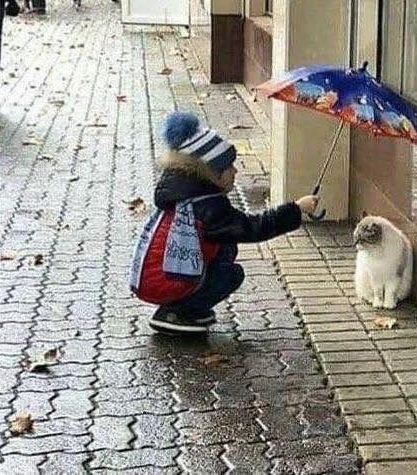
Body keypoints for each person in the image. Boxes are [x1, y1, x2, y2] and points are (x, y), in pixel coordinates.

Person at [129, 112, 319, 334]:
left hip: (151, 278)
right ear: (213, 173)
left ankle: (185, 306)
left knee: (225, 247)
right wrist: (296, 208)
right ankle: (178, 312)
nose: (235, 172)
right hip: (163, 281)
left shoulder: (186, 196)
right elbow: (253, 227)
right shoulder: (206, 207)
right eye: (230, 167)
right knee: (231, 274)